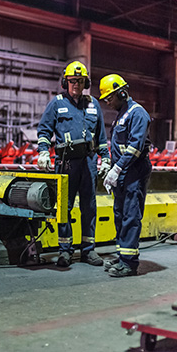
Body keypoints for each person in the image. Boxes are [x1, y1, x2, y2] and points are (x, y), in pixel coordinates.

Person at [37, 61, 111, 268]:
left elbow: (101, 137)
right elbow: (44, 131)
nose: (75, 84)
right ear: (65, 82)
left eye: (79, 81)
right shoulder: (57, 103)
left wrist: (105, 158)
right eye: (72, 81)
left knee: (89, 207)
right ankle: (65, 251)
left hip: (88, 163)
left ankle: (88, 251)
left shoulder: (93, 104)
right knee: (64, 208)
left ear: (85, 82)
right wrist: (43, 152)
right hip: (66, 163)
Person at [99, 74, 151, 277]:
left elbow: (134, 148)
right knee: (120, 214)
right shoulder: (122, 114)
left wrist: (117, 168)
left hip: (134, 171)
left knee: (130, 215)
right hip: (124, 172)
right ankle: (123, 257)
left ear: (122, 92)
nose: (107, 102)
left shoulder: (137, 114)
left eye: (109, 98)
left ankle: (130, 264)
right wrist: (109, 167)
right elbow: (119, 147)